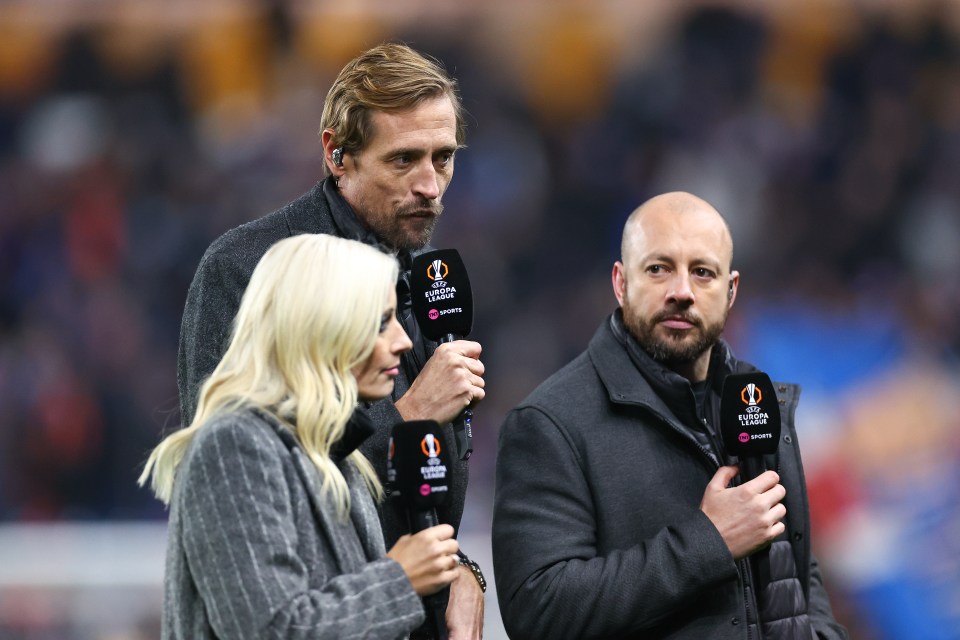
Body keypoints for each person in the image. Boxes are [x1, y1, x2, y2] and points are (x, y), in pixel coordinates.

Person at [177, 43, 485, 638]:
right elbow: (227, 491)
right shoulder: (249, 270)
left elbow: (421, 492)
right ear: (336, 154)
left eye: (443, 159)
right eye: (403, 161)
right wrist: (411, 414)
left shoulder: (425, 274)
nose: (430, 185)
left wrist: (458, 571)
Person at [492, 192, 848, 639]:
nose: (681, 292)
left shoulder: (757, 401)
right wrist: (707, 541)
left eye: (702, 272)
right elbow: (538, 612)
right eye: (659, 268)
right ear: (621, 283)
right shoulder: (549, 422)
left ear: (731, 290)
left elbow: (795, 570)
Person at [140, 234, 461, 639]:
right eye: (381, 323)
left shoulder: (333, 454)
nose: (404, 341)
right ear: (320, 327)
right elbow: (269, 631)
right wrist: (399, 580)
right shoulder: (235, 446)